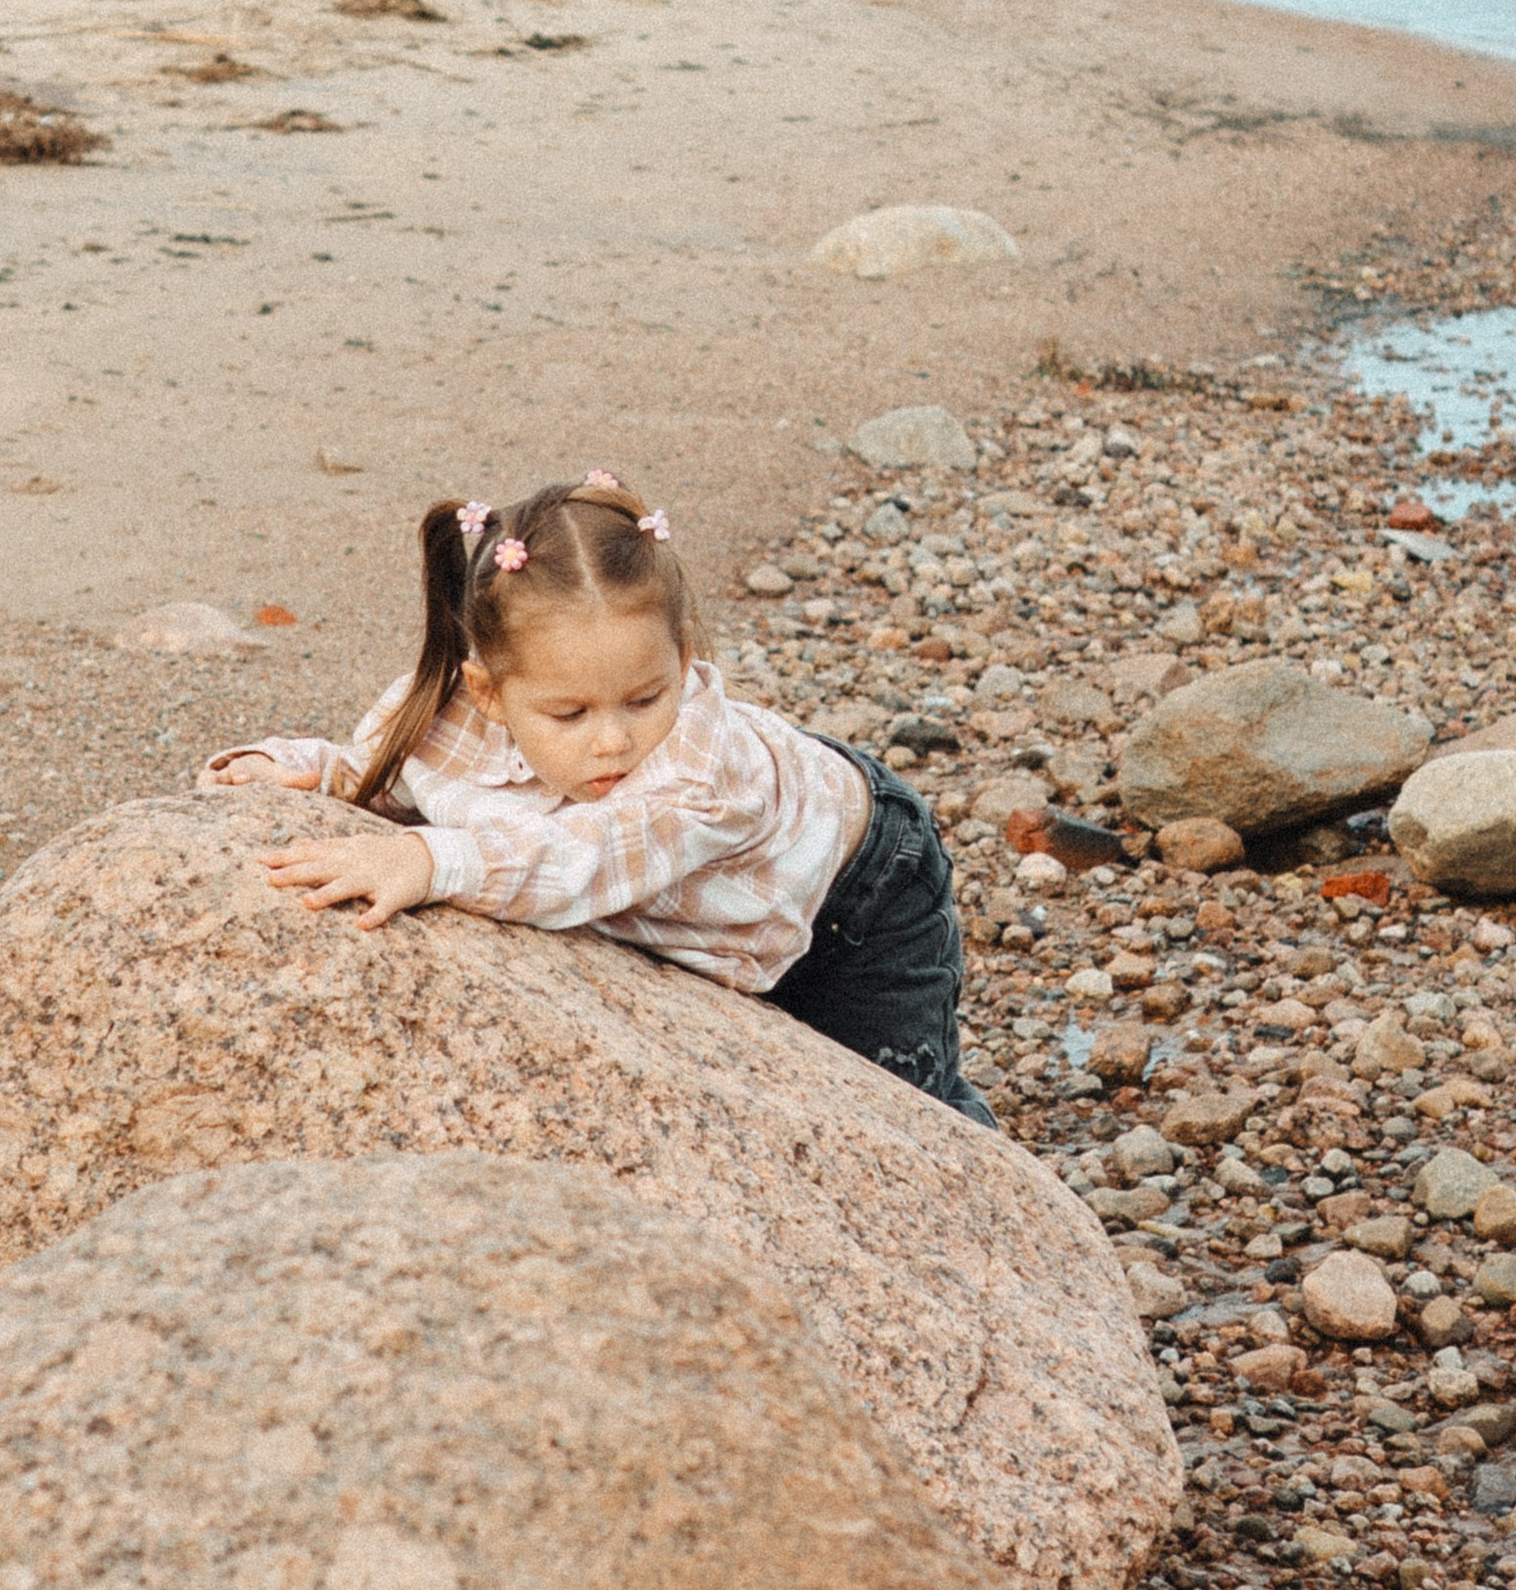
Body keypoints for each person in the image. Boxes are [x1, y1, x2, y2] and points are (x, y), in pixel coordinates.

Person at [204, 470, 993, 1127]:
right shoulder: (457, 717)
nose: (611, 741)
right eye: (570, 715)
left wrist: (426, 859)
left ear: (682, 660)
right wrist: (301, 769)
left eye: (644, 699)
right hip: (730, 894)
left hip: (862, 889)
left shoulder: (704, 777)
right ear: (489, 693)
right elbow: (385, 769)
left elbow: (586, 855)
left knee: (905, 1103)